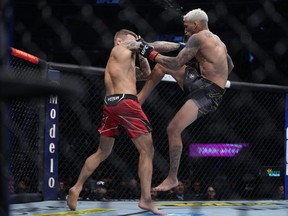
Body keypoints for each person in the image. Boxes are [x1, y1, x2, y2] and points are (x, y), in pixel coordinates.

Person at [66, 29, 165, 215]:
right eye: (132, 39)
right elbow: (153, 46)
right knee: (147, 149)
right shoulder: (122, 47)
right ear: (120, 41)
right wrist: (183, 47)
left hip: (110, 104)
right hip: (127, 102)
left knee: (103, 151)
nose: (135, 41)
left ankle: (76, 188)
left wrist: (142, 53)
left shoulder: (121, 63)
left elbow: (146, 72)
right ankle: (146, 199)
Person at [137, 8, 234, 192]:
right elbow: (230, 64)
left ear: (196, 24)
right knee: (160, 66)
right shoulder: (217, 41)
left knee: (173, 128)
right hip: (204, 85)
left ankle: (172, 178)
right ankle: (138, 102)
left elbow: (175, 63)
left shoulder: (197, 38)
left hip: (208, 92)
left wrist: (148, 53)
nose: (185, 30)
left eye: (187, 26)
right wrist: (146, 44)